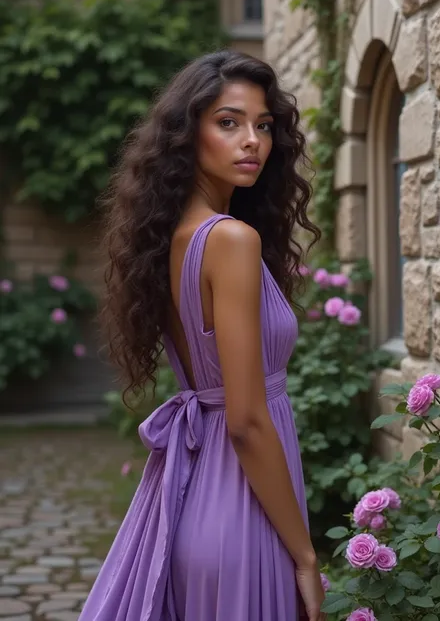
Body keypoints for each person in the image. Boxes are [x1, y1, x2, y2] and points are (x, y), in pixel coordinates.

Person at [79, 50, 325, 621]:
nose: (252, 141)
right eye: (228, 122)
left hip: (195, 498)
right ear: (188, 135)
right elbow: (244, 419)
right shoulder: (230, 241)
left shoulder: (172, 239)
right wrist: (307, 557)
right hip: (244, 516)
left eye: (263, 126)